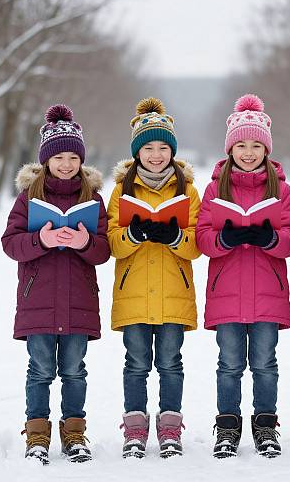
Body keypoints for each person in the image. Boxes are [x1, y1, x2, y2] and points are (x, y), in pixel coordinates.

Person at [1, 104, 110, 464]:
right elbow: (10, 243)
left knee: (75, 370)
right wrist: (41, 241)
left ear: (82, 159)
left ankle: (74, 431)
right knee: (40, 370)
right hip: (38, 304)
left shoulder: (92, 199)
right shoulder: (29, 198)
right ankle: (37, 434)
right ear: (46, 160)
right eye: (58, 156)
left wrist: (84, 243)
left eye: (73, 156)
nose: (66, 163)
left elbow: (104, 250)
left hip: (78, 302)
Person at [196, 94, 290, 458]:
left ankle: (266, 426)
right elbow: (202, 237)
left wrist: (270, 238)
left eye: (256, 145)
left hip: (267, 294)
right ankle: (227, 426)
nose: (249, 152)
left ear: (267, 149)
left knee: (265, 364)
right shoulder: (214, 189)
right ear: (230, 149)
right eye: (241, 145)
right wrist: (223, 238)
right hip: (226, 293)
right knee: (228, 364)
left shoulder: (281, 190)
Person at [107, 97, 201, 459]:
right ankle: (134, 428)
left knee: (170, 363)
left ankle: (170, 427)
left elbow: (196, 246)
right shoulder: (122, 190)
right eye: (149, 148)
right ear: (137, 152)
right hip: (133, 293)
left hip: (174, 292)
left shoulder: (187, 190)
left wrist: (174, 237)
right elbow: (113, 244)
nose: (157, 155)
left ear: (173, 151)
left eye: (164, 147)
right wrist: (134, 234)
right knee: (136, 363)